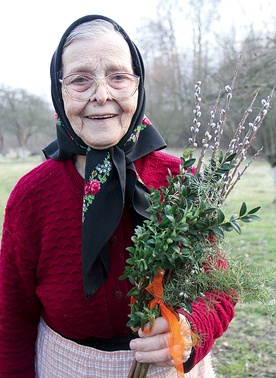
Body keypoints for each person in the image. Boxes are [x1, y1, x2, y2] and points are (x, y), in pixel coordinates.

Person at [0, 15, 235, 378]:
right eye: (80, 80)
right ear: (58, 92)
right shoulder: (32, 196)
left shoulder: (179, 179)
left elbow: (219, 288)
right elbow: (11, 316)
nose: (101, 95)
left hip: (168, 367)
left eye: (118, 77)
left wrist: (189, 334)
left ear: (137, 87)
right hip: (66, 367)